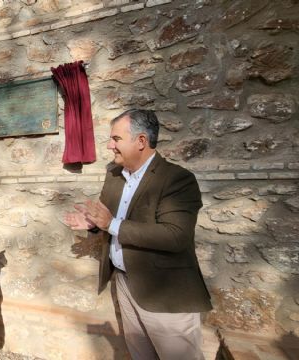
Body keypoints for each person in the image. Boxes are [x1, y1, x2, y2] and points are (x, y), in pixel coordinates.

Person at [64, 109, 212, 360]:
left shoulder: (177, 179)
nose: (110, 145)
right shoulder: (114, 175)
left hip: (165, 294)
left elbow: (176, 236)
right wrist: (91, 224)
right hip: (124, 283)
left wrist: (110, 224)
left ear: (141, 141)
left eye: (116, 139)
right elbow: (107, 219)